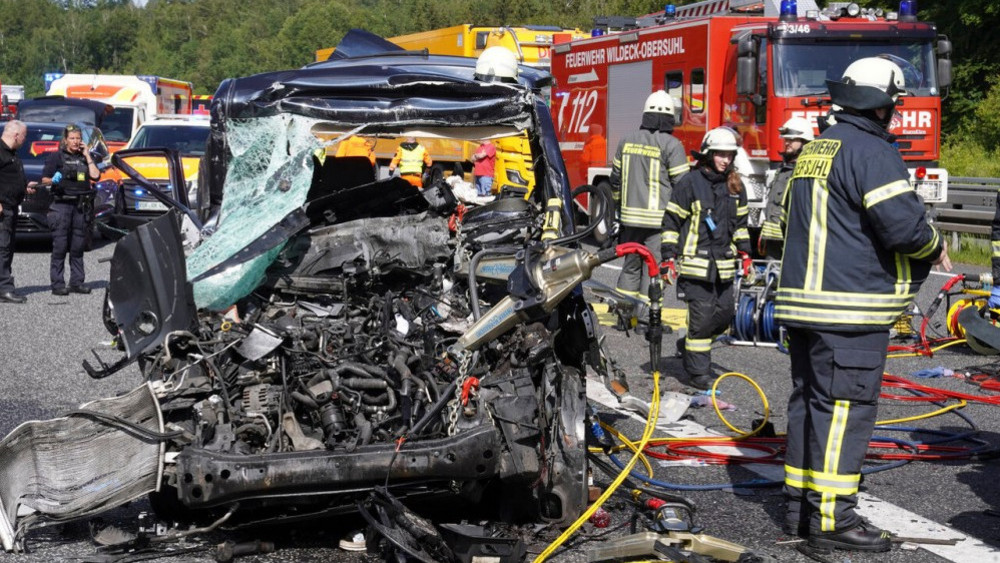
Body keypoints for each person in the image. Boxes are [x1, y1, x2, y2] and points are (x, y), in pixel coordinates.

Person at [775, 57, 950, 552]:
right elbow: (904, 229)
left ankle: (800, 508)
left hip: (804, 308)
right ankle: (833, 522)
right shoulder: (871, 152)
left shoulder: (817, 149)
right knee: (843, 413)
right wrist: (933, 241)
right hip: (848, 312)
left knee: (809, 407)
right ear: (885, 105)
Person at [660, 127, 750, 390]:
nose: (725, 160)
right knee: (701, 319)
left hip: (723, 267)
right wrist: (668, 258)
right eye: (720, 154)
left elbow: (741, 225)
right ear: (709, 155)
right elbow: (671, 222)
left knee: (724, 316)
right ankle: (698, 373)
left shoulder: (736, 186)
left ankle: (689, 346)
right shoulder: (690, 182)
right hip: (695, 267)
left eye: (729, 155)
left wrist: (745, 254)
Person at [610, 90, 688, 304]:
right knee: (653, 267)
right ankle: (646, 320)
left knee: (630, 266)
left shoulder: (626, 141)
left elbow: (615, 181)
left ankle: (624, 314)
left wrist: (619, 207)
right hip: (658, 222)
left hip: (629, 220)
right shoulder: (672, 145)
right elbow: (683, 188)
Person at [42, 124, 100, 296]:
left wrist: (88, 156)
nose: (75, 141)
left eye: (78, 138)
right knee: (60, 246)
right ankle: (58, 284)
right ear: (65, 140)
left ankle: (77, 282)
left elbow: (95, 176)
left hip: (80, 207)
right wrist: (53, 180)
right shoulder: (56, 157)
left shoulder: (84, 157)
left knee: (77, 246)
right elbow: (44, 179)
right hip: (61, 206)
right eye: (72, 138)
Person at [758, 117, 814, 258]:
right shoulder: (784, 169)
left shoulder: (805, 171)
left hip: (794, 243)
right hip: (774, 243)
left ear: (805, 142)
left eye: (792, 139)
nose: (787, 143)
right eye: (786, 139)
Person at [0, 120, 33, 303]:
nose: (25, 139)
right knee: (2, 248)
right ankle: (4, 288)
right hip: (2, 208)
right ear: (16, 135)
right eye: (24, 136)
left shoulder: (12, 154)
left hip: (11, 207)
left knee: (7, 248)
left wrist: (25, 186)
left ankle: (3, 286)